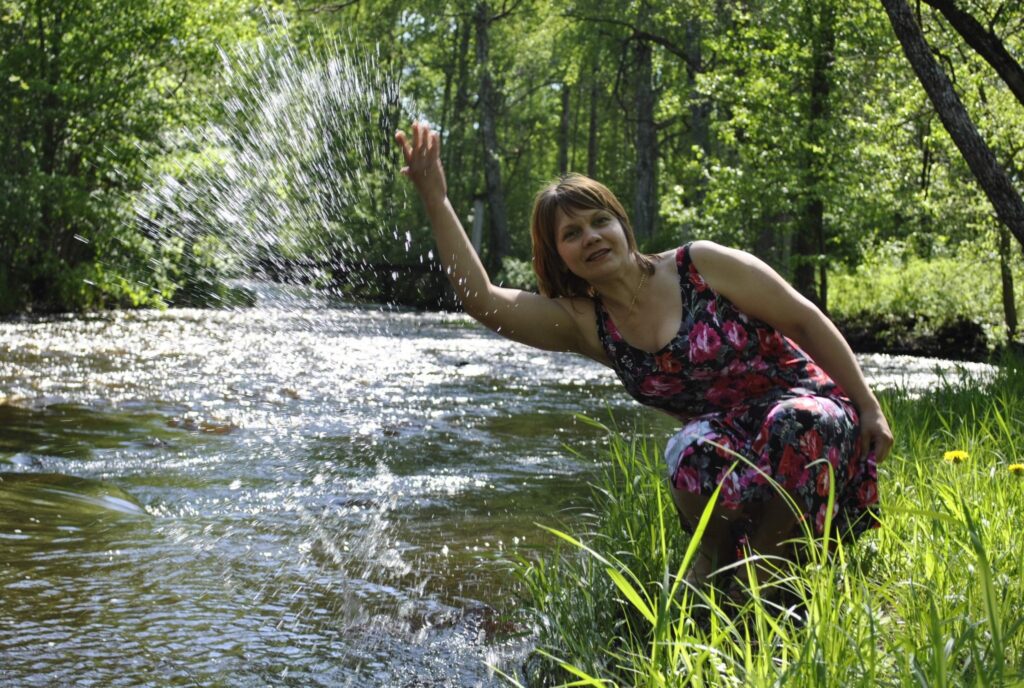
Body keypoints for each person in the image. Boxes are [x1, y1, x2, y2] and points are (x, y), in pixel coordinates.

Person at [394, 121, 893, 591]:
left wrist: (869, 405)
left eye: (600, 221)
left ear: (622, 225)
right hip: (732, 443)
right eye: (571, 233)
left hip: (813, 416)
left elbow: (804, 319)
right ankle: (718, 564)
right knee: (689, 452)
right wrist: (436, 198)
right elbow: (482, 300)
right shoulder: (588, 323)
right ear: (557, 254)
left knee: (793, 421)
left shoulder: (701, 265)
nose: (591, 236)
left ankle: (758, 583)